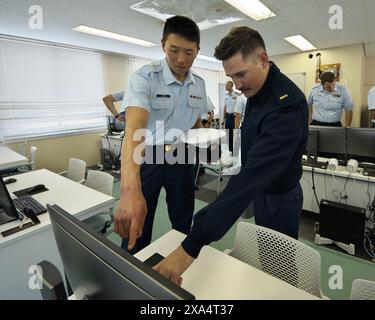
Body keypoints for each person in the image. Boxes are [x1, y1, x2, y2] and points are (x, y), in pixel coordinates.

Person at [153, 26, 308, 285]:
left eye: (240, 75)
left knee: (279, 271)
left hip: (279, 199)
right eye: (231, 77)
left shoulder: (286, 104)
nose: (236, 85)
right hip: (261, 192)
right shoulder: (259, 90)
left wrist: (192, 245)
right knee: (265, 261)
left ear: (262, 59)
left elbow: (250, 176)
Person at [114, 16, 208, 254]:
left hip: (183, 156)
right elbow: (134, 130)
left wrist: (203, 142)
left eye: (189, 52)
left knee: (183, 220)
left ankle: (180, 265)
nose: (181, 59)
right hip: (149, 156)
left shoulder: (199, 84)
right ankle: (132, 267)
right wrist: (128, 191)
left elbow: (195, 119)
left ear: (198, 50)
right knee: (138, 220)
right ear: (163, 44)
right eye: (174, 50)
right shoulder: (144, 77)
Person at [222, 81, 239, 152]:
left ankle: (236, 150)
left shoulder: (236, 95)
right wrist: (223, 119)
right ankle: (230, 149)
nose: (225, 86)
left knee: (235, 133)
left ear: (231, 86)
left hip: (234, 117)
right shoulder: (225, 95)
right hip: (228, 117)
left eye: (227, 85)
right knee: (228, 134)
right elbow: (225, 108)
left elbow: (239, 107)